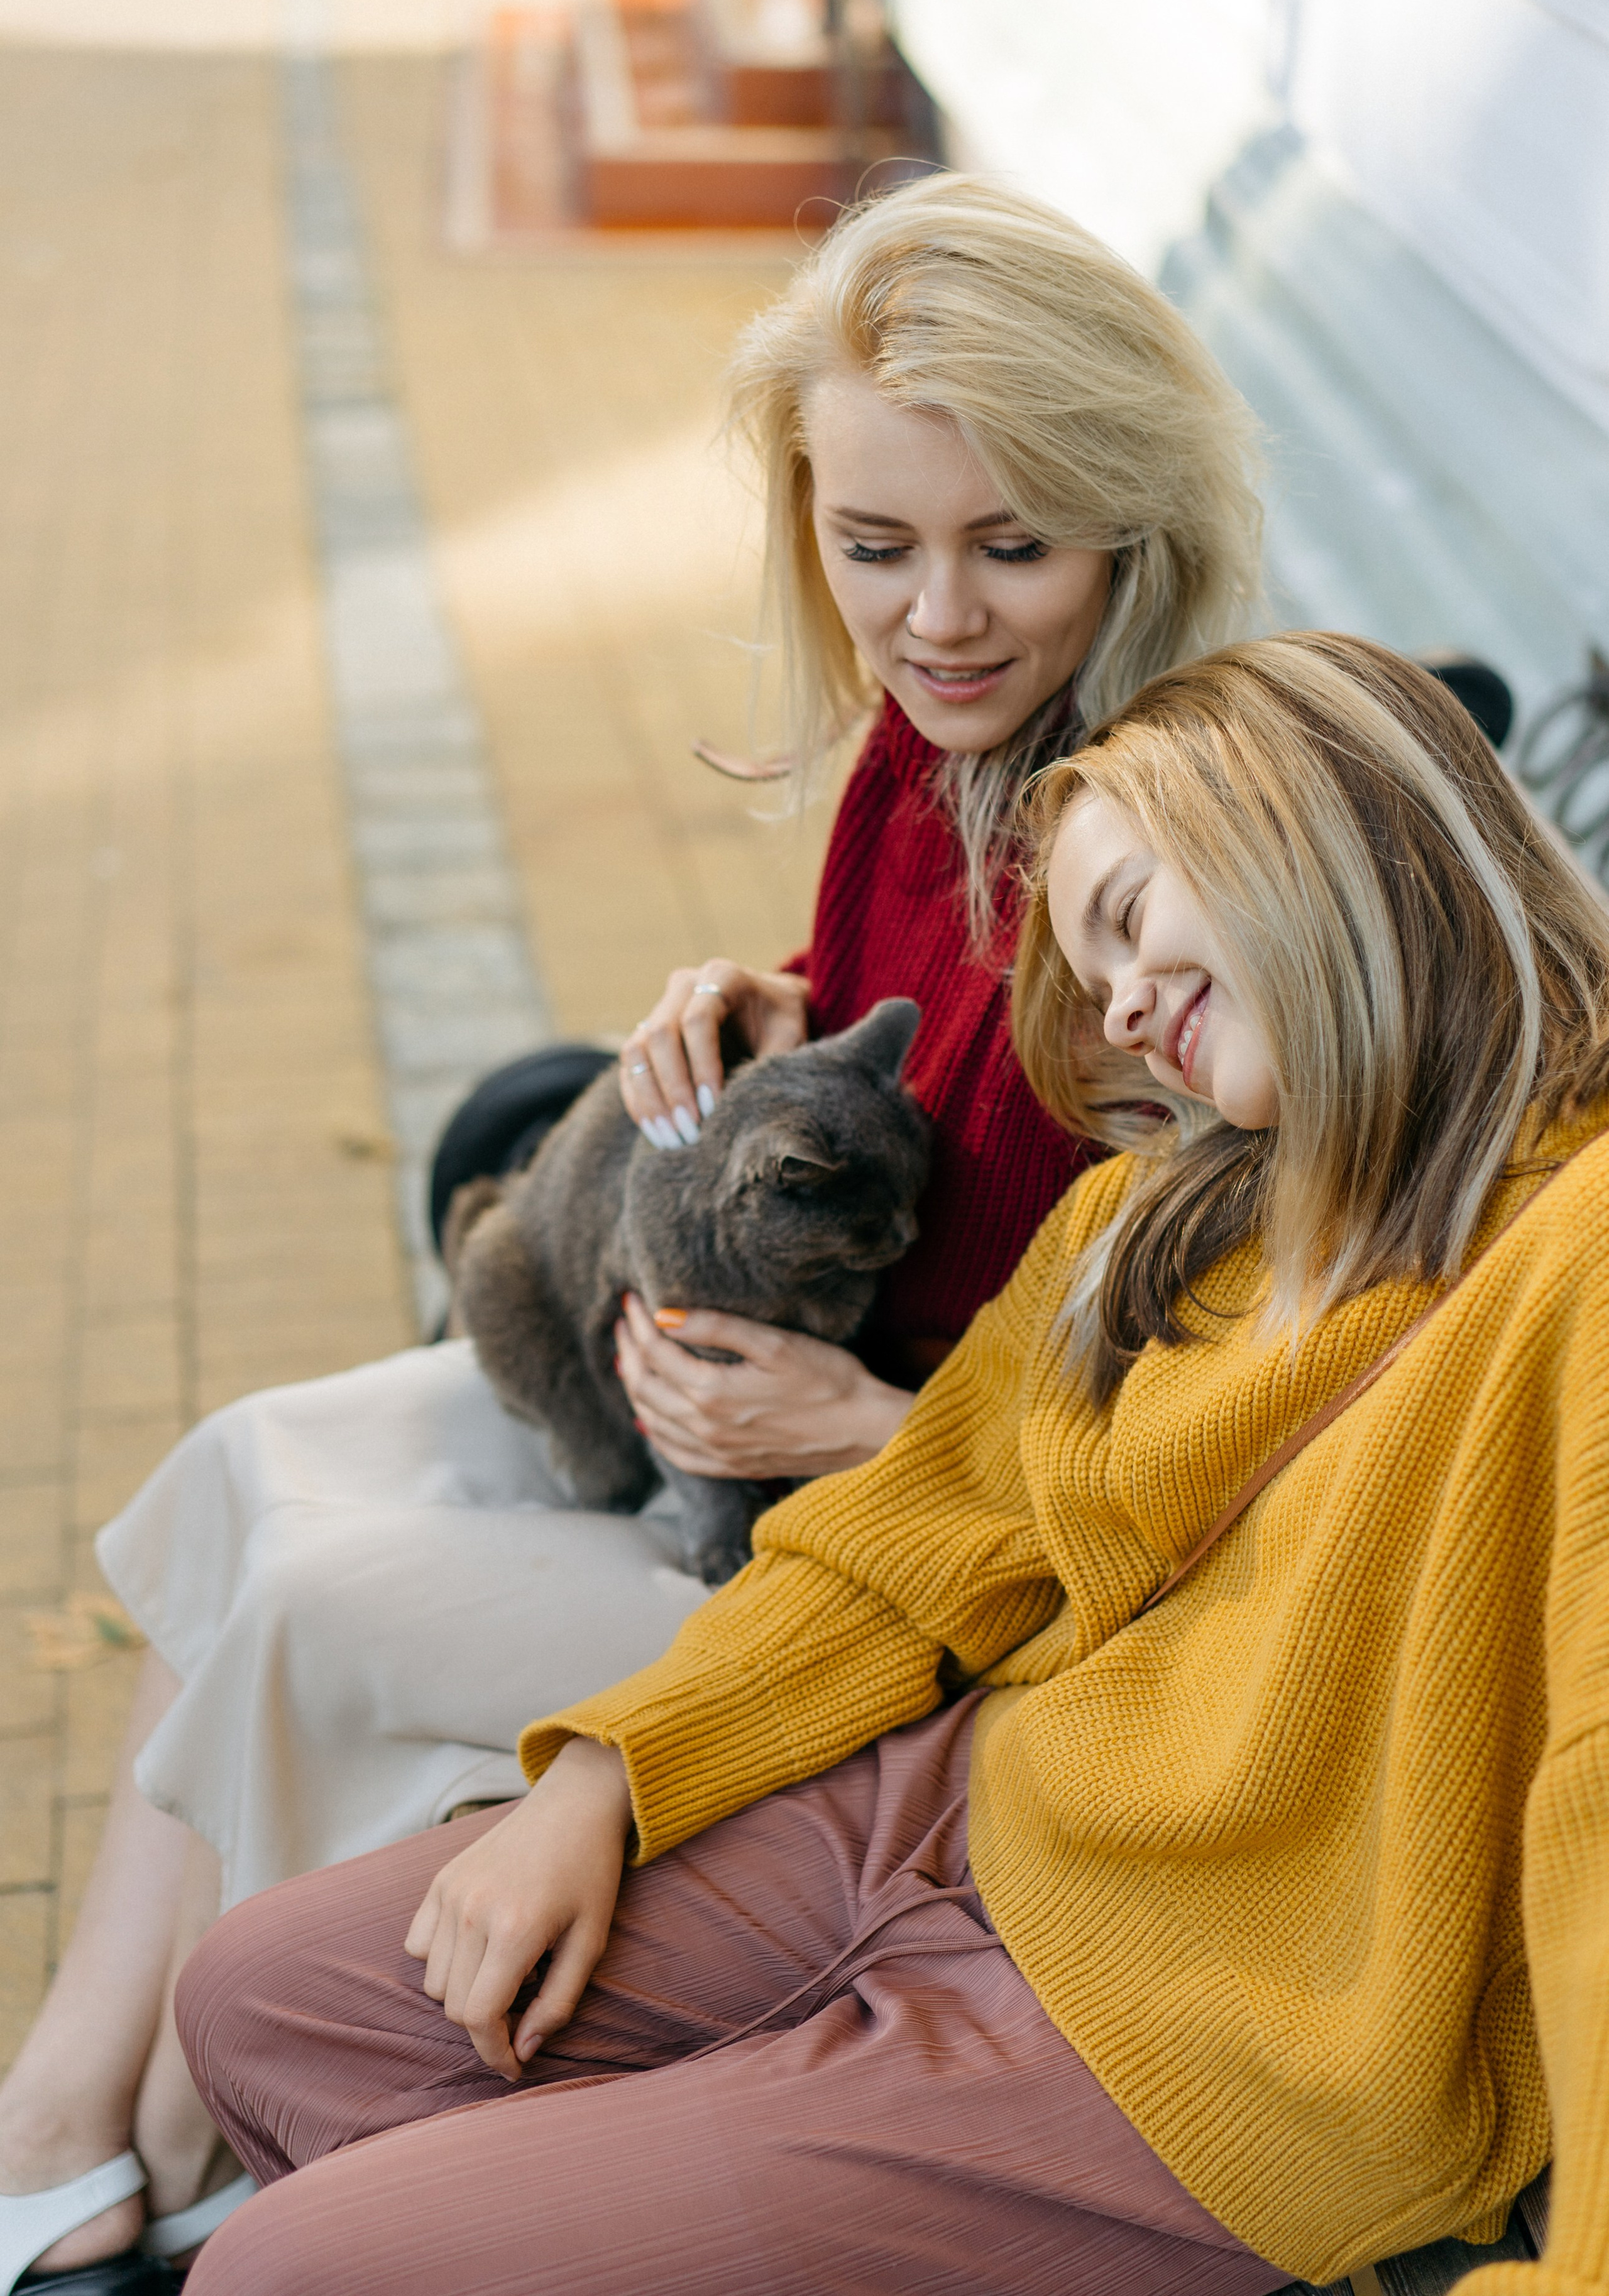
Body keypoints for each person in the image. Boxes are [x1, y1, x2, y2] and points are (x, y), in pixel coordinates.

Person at [0, 173, 1261, 2289]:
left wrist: (866, 1425)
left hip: (903, 1585)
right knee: (244, 1468)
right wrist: (762, 1021)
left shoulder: (1166, 869)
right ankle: (72, 2112)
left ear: (1138, 525)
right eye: (874, 548)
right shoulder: (919, 756)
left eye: (1013, 546)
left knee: (315, 1601)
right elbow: (911, 1055)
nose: (939, 616)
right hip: (732, 1413)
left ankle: (166, 2167)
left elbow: (1211, 1411)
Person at [175, 635, 1609, 2296]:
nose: (1126, 1007)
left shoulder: (1572, 1257)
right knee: (258, 2002)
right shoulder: (1166, 1208)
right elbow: (913, 1532)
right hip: (961, 1811)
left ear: (1308, 829)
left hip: (1197, 2047)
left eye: (1134, 918)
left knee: (283, 2271)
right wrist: (605, 1778)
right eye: (1096, 963)